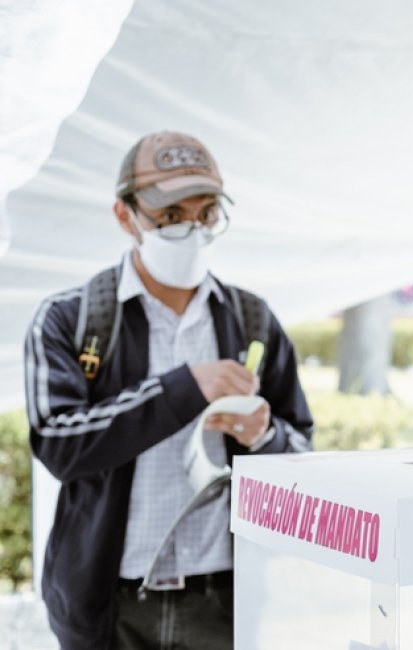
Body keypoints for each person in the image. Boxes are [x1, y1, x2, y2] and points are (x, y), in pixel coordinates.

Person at [24, 131, 314, 649]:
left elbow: (303, 453)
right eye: (171, 215)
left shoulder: (252, 321)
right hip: (108, 602)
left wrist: (263, 436)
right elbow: (58, 443)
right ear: (125, 215)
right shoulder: (72, 319)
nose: (193, 231)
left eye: (206, 214)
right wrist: (182, 387)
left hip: (221, 600)